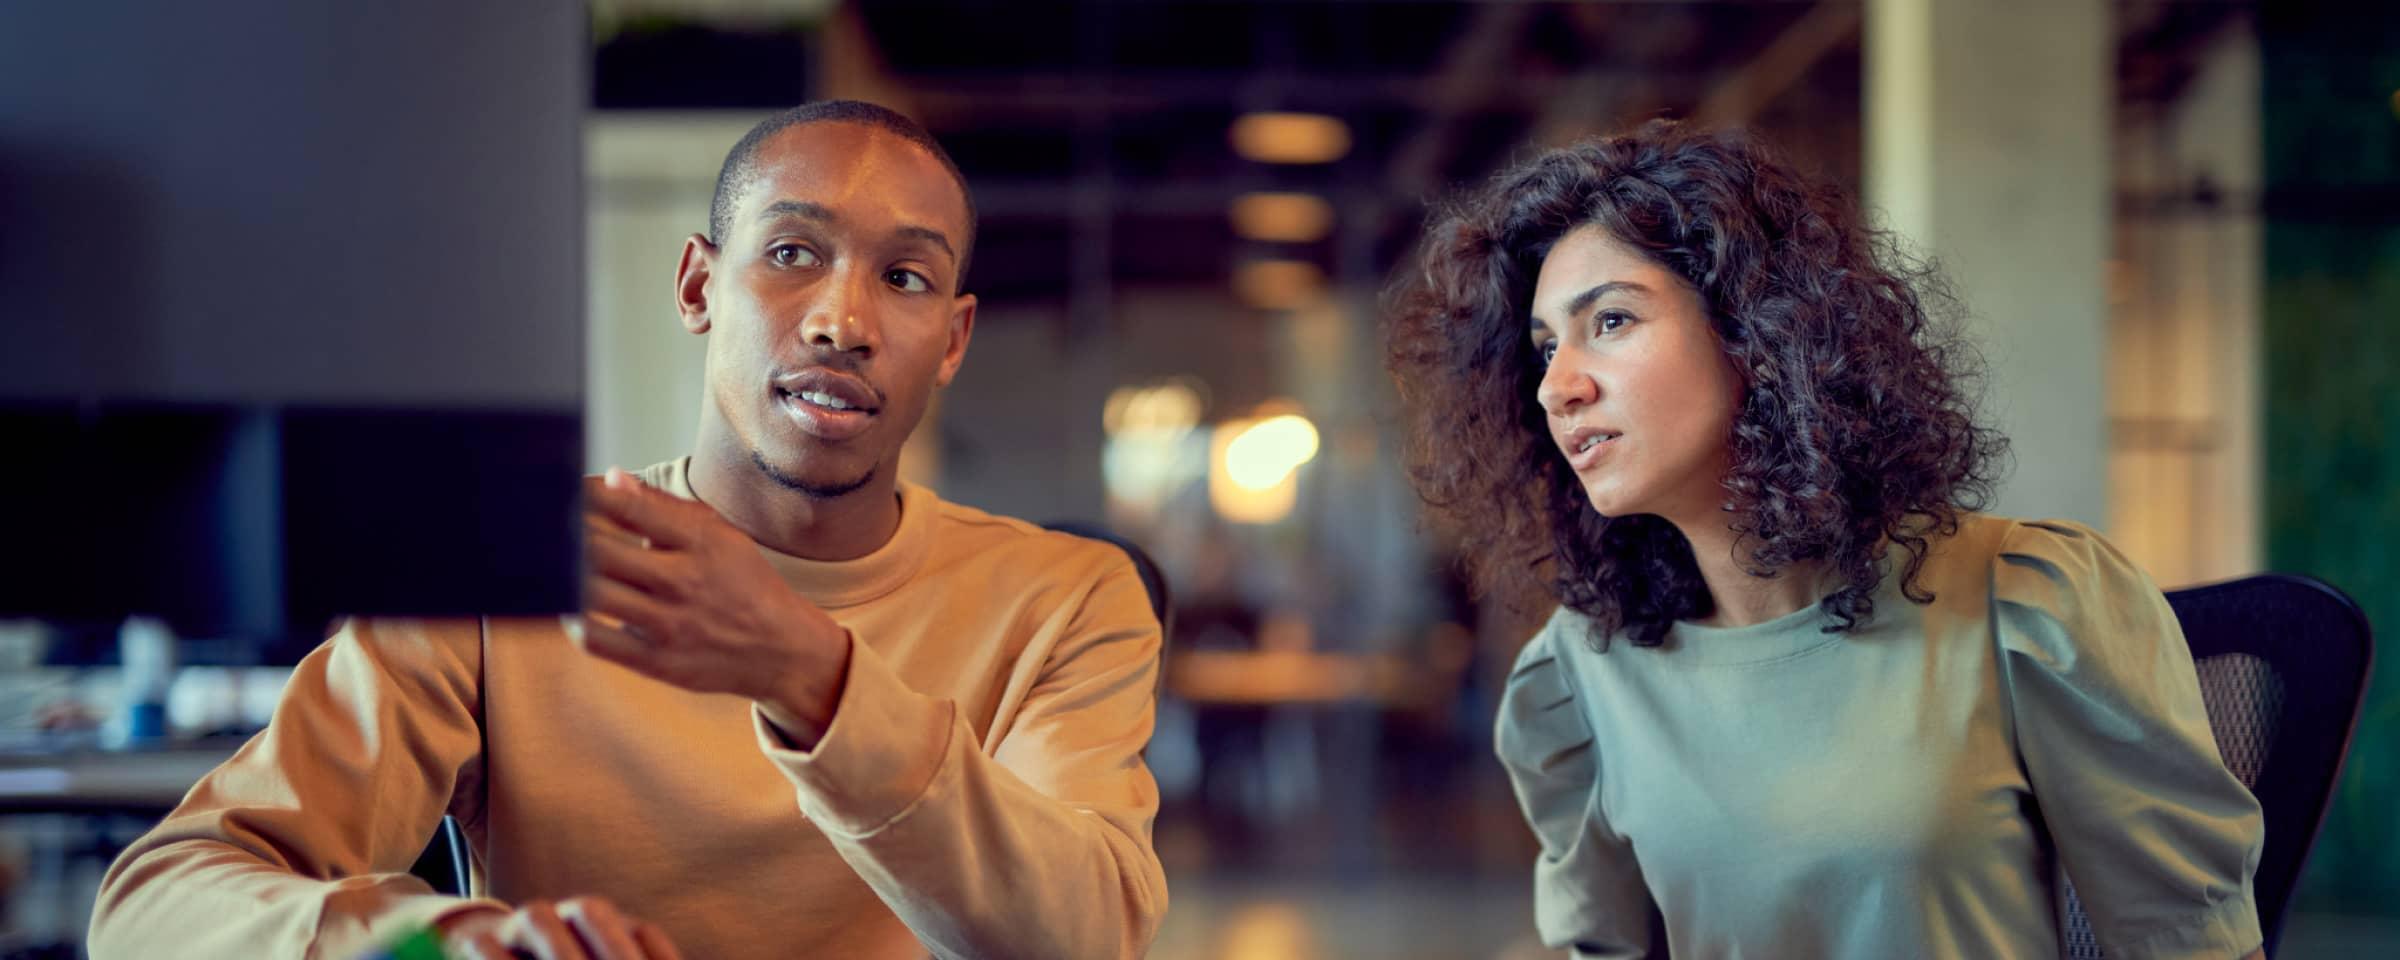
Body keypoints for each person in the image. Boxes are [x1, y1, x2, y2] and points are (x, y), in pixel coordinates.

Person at [88, 100, 1168, 960]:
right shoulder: (508, 561)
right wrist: (435, 939)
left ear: (952, 338)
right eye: (793, 254)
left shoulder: (1068, 597)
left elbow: (1083, 935)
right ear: (700, 284)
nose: (845, 321)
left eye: (905, 278)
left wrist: (808, 674)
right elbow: (156, 906)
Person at [1383, 121, 2264, 959]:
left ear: (1755, 334)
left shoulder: (2027, 600)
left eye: (1610, 321)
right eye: (1544, 349)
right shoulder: (1581, 673)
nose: (1558, 388)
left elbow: (2190, 946)